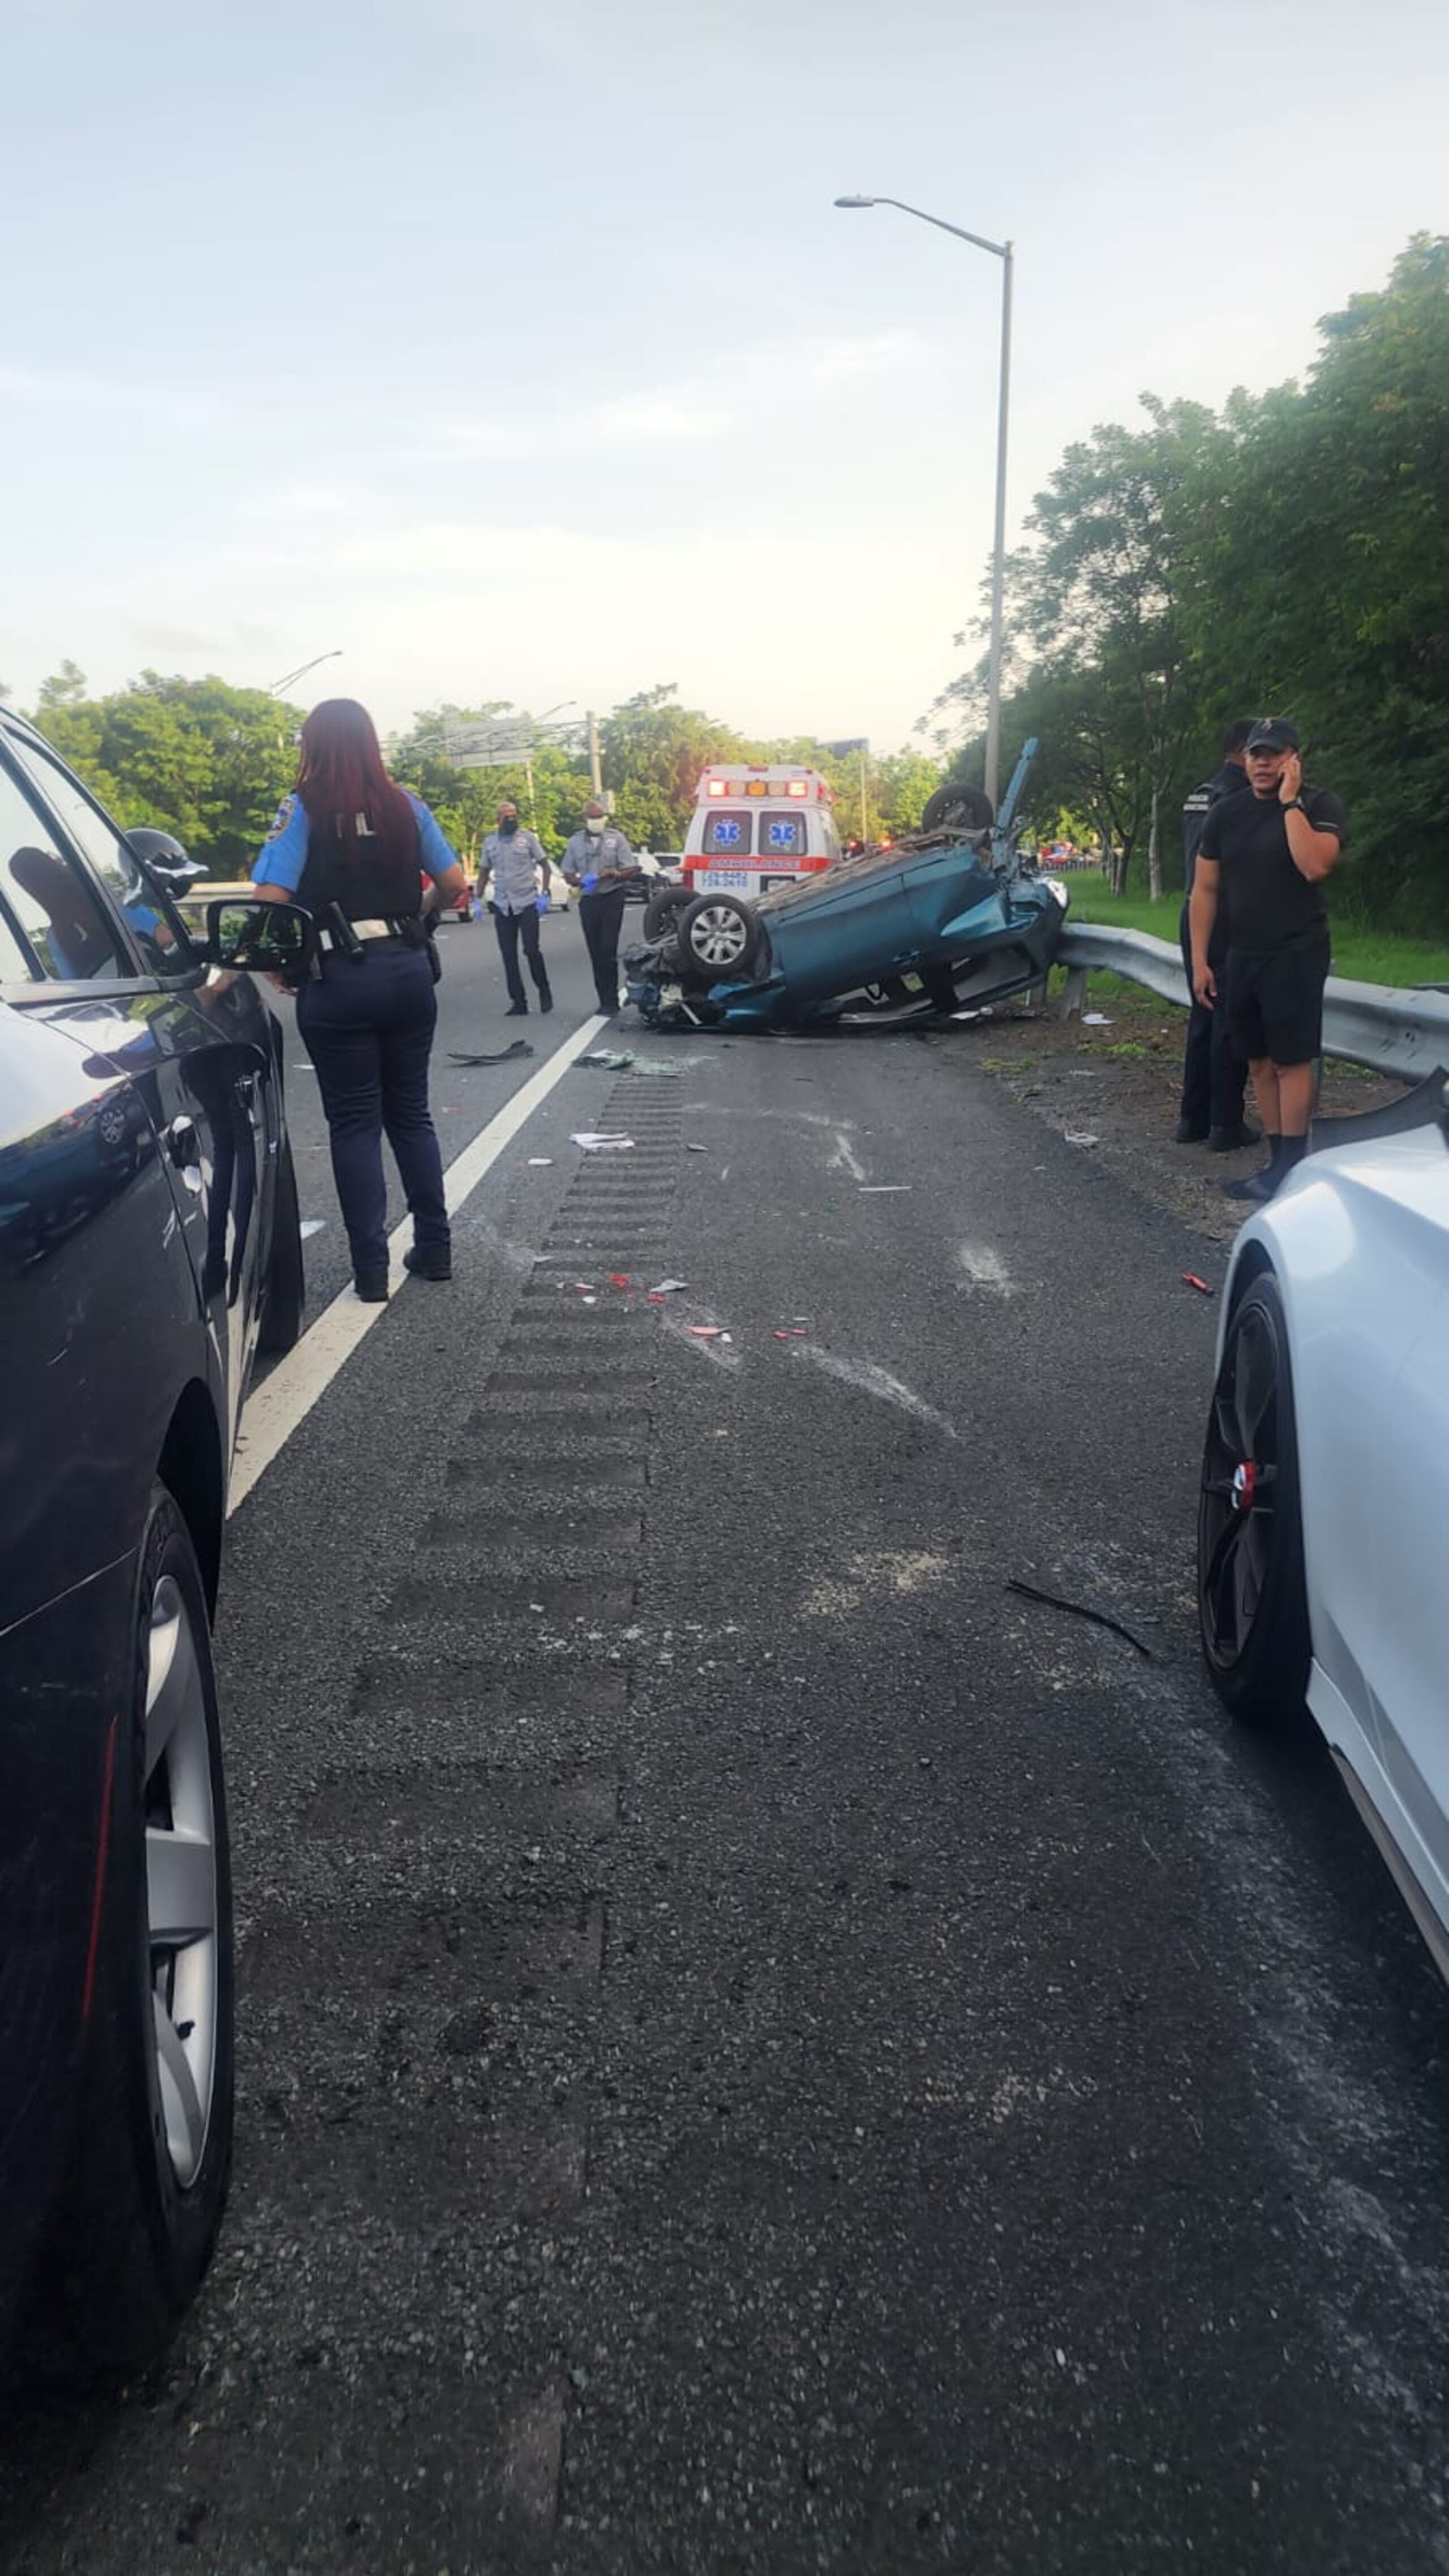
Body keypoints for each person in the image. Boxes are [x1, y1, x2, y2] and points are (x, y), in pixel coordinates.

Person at [251, 697, 467, 1300]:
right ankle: (435, 1249)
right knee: (412, 1115)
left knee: (353, 1123)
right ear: (372, 744)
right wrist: (414, 920)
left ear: (312, 746)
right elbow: (453, 885)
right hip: (407, 974)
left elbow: (269, 897)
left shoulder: (302, 809)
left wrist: (257, 961)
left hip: (339, 981)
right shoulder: (408, 806)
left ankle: (371, 1271)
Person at [1190, 717, 1345, 1204]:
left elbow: (1314, 865)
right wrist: (1199, 959)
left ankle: (1293, 1165)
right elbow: (1205, 890)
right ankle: (1276, 1164)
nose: (1262, 762)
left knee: (1291, 1061)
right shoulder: (1225, 813)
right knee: (1258, 1060)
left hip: (1296, 951)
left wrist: (1290, 803)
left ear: (1294, 760)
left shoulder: (1320, 805)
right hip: (1244, 954)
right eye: (1256, 754)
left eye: (1274, 754)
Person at [1176, 719, 1256, 1151]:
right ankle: (1226, 1122)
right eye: (1259, 752)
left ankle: (1193, 1118)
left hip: (1193, 911)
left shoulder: (1199, 792)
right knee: (1230, 1018)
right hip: (1228, 911)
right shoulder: (1243, 796)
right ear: (1244, 750)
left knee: (1202, 1014)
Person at [561, 799, 640, 1013]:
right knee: (595, 951)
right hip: (589, 899)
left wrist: (613, 873)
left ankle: (612, 999)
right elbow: (568, 872)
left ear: (604, 817)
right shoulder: (575, 842)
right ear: (585, 819)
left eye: (599, 817)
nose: (596, 821)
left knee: (608, 948)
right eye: (592, 817)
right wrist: (579, 880)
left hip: (612, 896)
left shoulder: (616, 839)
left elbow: (631, 869)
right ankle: (603, 999)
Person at [478, 800, 552, 1016]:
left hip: (527, 901)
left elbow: (545, 866)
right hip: (503, 905)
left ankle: (544, 990)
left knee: (531, 949)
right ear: (498, 819)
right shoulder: (490, 842)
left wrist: (545, 893)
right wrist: (476, 898)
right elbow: (484, 871)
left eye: (513, 816)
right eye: (506, 816)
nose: (511, 820)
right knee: (508, 955)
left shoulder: (527, 838)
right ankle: (518, 1001)